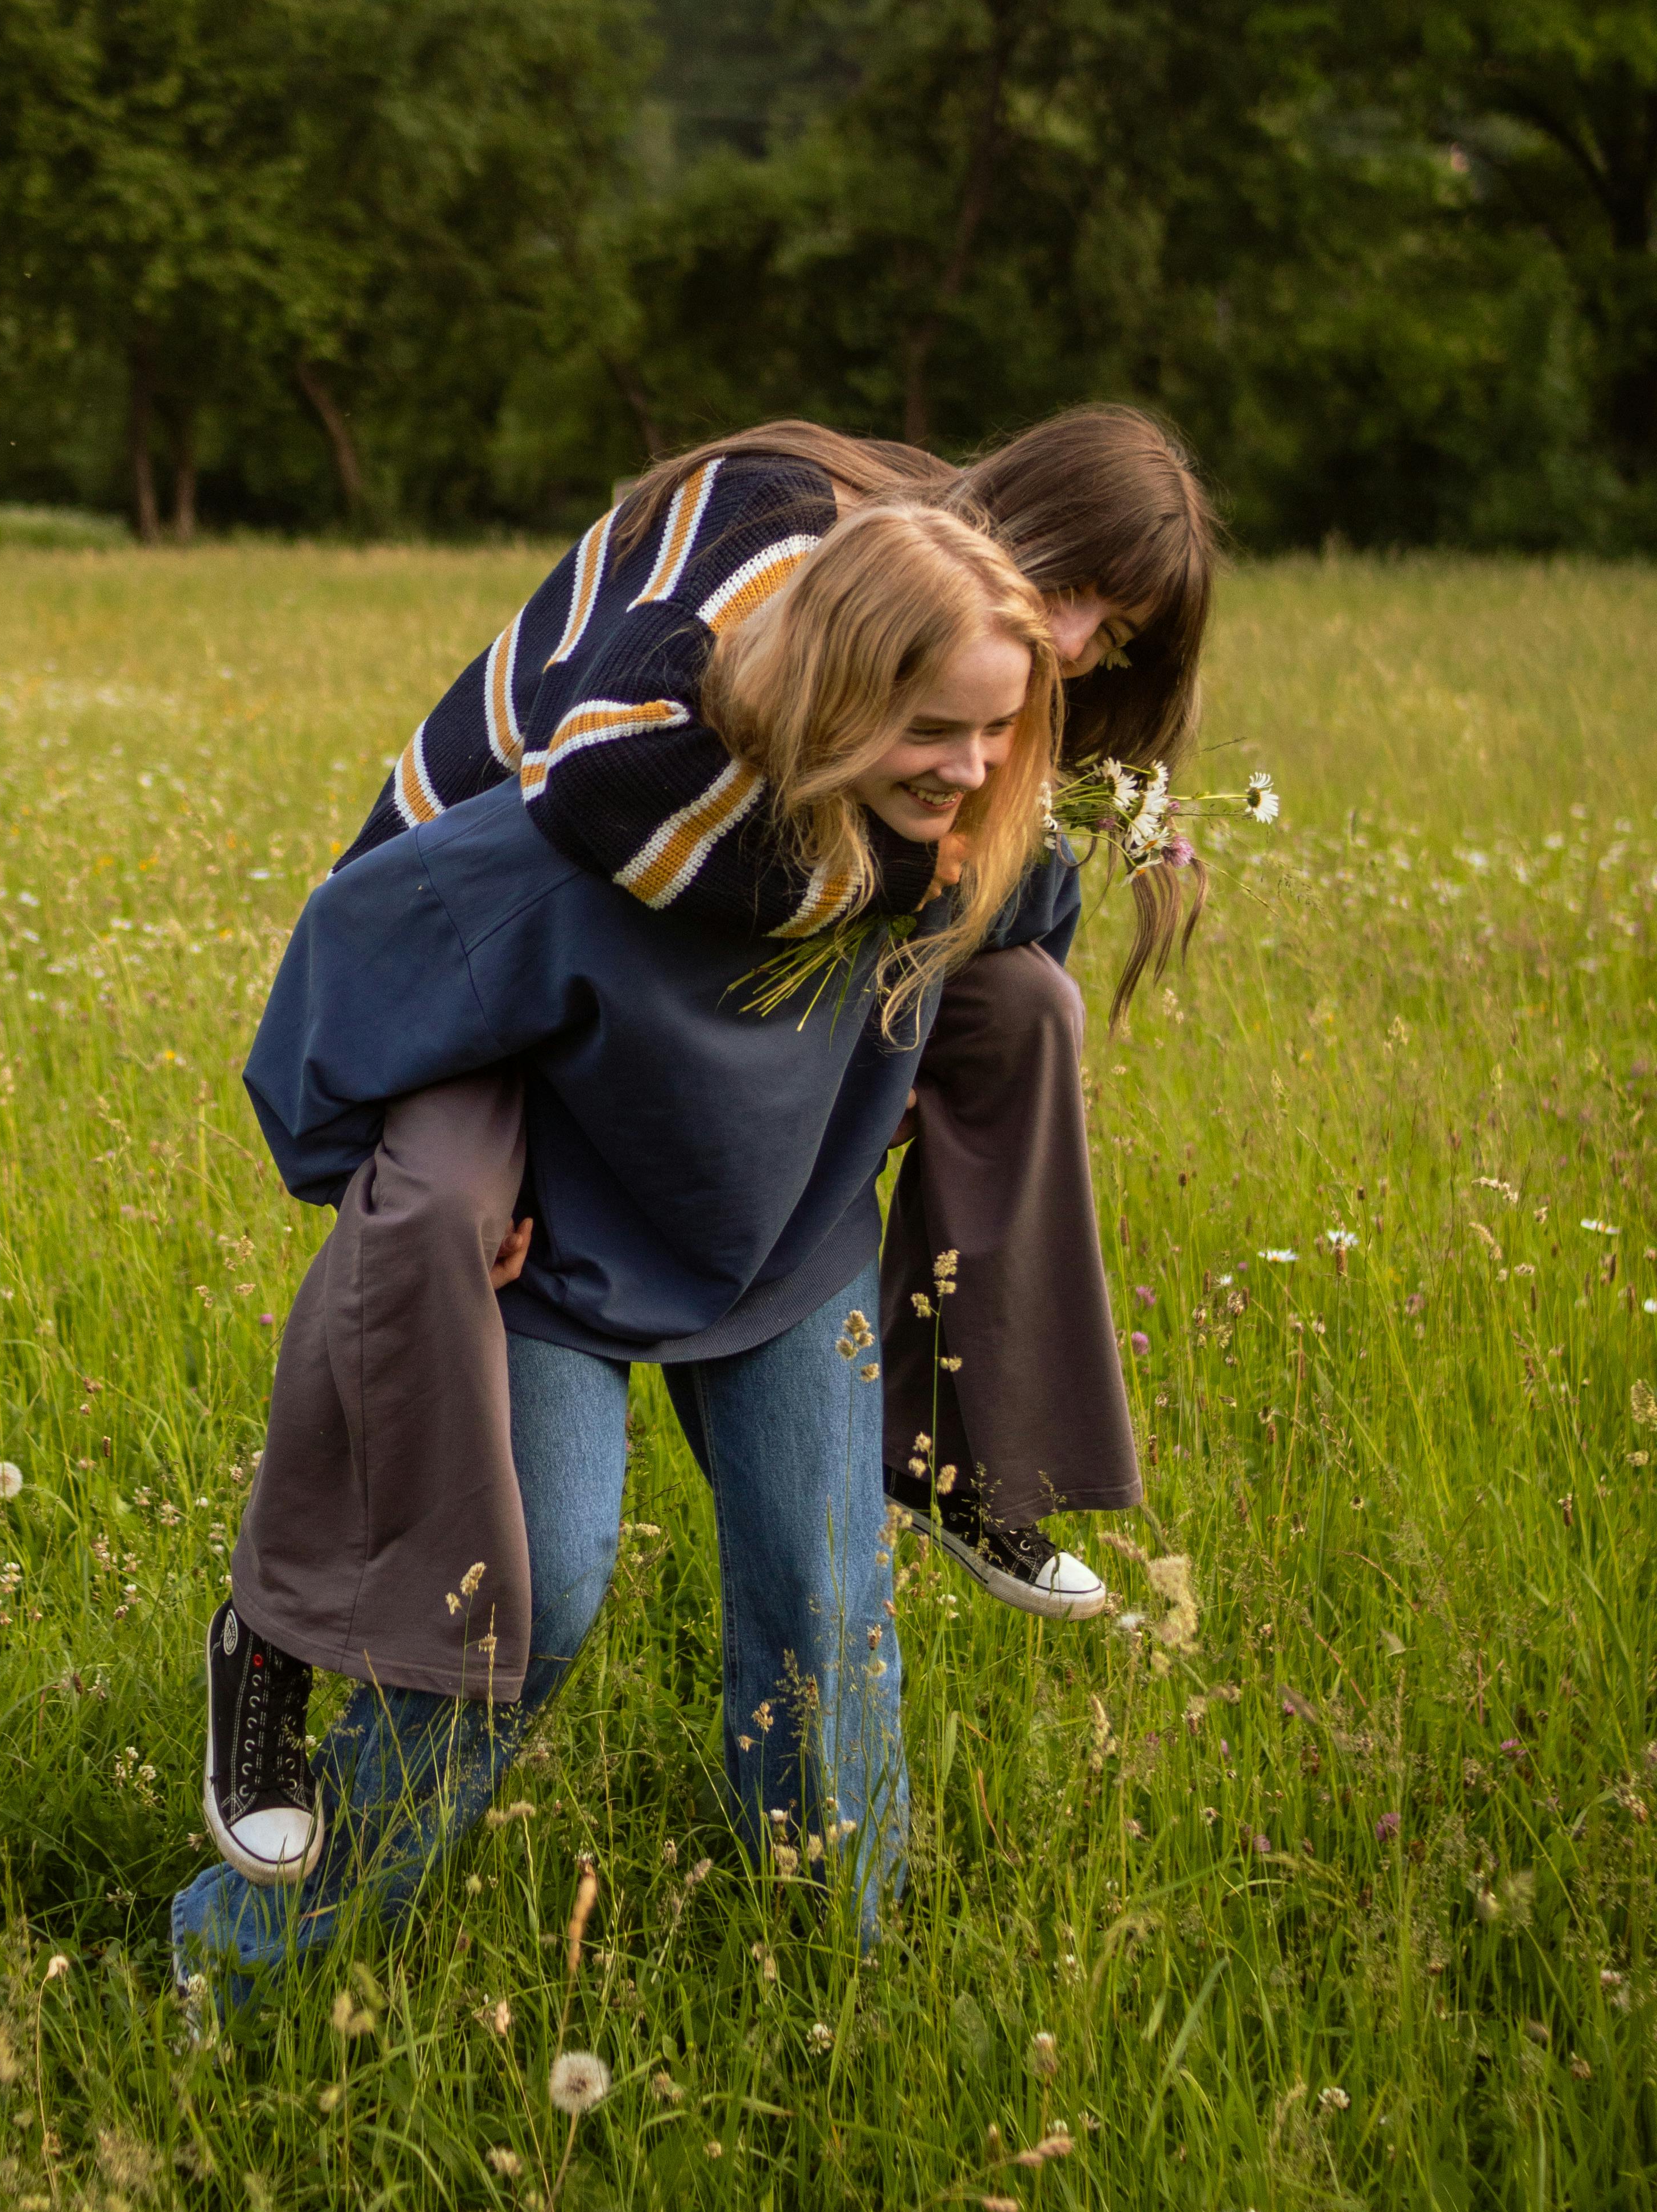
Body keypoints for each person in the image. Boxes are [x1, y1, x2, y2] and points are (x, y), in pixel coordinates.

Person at [174, 507, 1059, 1994]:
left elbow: (1043, 921)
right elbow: (342, 967)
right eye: (931, 729)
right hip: (563, 1263)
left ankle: (835, 1977)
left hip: (791, 1252)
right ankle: (252, 1961)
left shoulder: (952, 843)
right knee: (525, 1595)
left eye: (996, 733)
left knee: (827, 1592)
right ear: (831, 691)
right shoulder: (584, 849)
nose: (967, 770)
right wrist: (408, 1201)